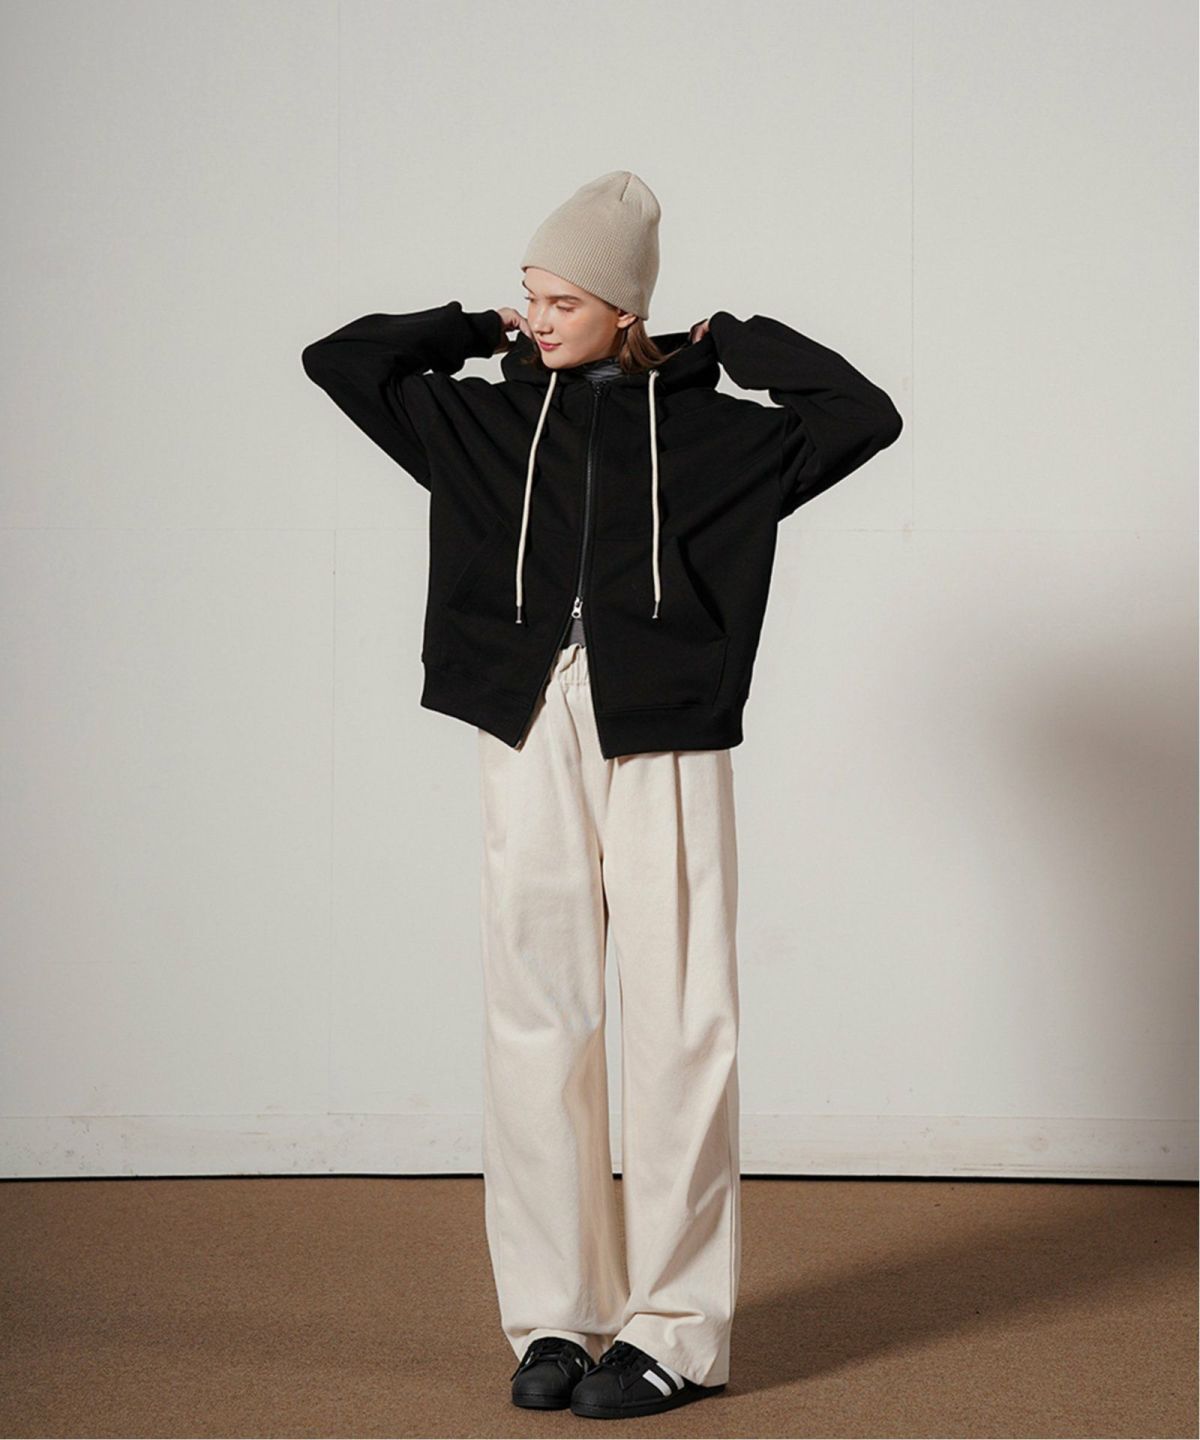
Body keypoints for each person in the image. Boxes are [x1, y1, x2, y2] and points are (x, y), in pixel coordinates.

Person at [301, 169, 903, 1420]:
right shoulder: (477, 419)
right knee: (537, 1020)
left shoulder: (717, 436)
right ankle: (556, 1318)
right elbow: (340, 361)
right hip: (525, 718)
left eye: (562, 298)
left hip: (665, 728)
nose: (536, 316)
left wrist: (728, 339)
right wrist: (470, 325)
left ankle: (674, 1331)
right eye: (528, 293)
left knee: (679, 1024)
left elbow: (862, 413)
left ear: (627, 306)